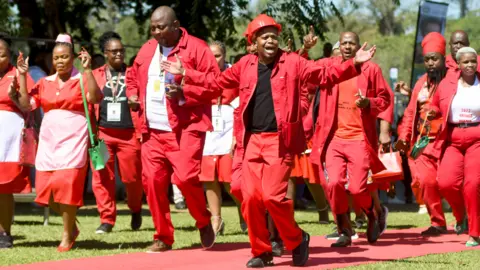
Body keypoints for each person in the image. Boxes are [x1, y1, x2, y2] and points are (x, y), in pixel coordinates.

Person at [161, 14, 376, 268]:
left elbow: (324, 74)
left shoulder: (294, 63)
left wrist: (353, 64)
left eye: (274, 36)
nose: (270, 40)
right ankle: (261, 251)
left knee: (274, 198)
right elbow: (216, 83)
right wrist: (186, 72)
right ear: (254, 41)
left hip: (280, 142)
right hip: (251, 141)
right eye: (265, 36)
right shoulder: (245, 65)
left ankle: (296, 239)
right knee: (250, 198)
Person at [126, 6, 217, 253]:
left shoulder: (197, 49)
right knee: (153, 184)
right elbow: (132, 76)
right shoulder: (147, 49)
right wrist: (132, 94)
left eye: (161, 27)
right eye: (153, 28)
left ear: (176, 25)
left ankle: (203, 220)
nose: (156, 32)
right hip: (152, 130)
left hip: (185, 127)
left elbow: (215, 84)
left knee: (186, 178)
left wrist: (185, 91)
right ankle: (163, 237)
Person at [13, 33, 103, 251]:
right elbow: (27, 105)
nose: (60, 61)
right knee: (46, 189)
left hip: (75, 140)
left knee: (68, 185)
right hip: (49, 140)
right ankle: (71, 224)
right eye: (56, 58)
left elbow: (95, 98)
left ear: (72, 58)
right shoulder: (44, 82)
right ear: (51, 60)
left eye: (64, 57)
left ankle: (66, 234)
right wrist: (23, 77)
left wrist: (88, 70)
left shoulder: (81, 79)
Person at [309, 31, 390, 248]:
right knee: (333, 183)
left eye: (351, 43)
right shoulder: (329, 66)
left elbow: (385, 100)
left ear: (357, 46)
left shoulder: (371, 69)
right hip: (333, 139)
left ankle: (374, 213)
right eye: (343, 43)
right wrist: (304, 49)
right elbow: (305, 71)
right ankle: (344, 229)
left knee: (357, 188)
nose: (347, 47)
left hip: (359, 139)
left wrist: (369, 103)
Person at [395, 32, 449, 236]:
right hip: (424, 143)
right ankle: (438, 223)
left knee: (451, 183)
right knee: (426, 182)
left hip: (449, 142)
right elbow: (410, 114)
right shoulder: (420, 84)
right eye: (427, 59)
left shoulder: (454, 81)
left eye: (435, 58)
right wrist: (403, 138)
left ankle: (464, 219)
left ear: (444, 59)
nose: (431, 63)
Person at [91, 31, 143, 234]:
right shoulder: (95, 74)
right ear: (105, 53)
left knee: (132, 178)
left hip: (129, 134)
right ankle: (106, 220)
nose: (119, 55)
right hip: (101, 134)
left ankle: (136, 208)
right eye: (114, 52)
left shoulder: (133, 74)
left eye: (121, 51)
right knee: (101, 176)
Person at [428, 47, 480, 247]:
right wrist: (432, 112)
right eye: (465, 62)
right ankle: (461, 216)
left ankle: (474, 233)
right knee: (446, 183)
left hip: (477, 137)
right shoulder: (447, 84)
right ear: (458, 65)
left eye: (473, 61)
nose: (470, 65)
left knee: (472, 184)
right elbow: (434, 105)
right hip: (453, 137)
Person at [199, 40, 243, 235]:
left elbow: (242, 106)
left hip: (229, 129)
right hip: (208, 130)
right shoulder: (200, 76)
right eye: (209, 56)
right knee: (209, 177)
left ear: (225, 56)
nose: (212, 60)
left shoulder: (236, 74)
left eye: (217, 56)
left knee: (231, 181)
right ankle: (216, 219)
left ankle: (245, 212)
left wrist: (237, 135)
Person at [0, 33, 35, 249]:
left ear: (10, 55)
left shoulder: (18, 73)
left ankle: (4, 233)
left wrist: (16, 91)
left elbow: (26, 105)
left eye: (1, 54)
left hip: (8, 140)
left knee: (3, 188)